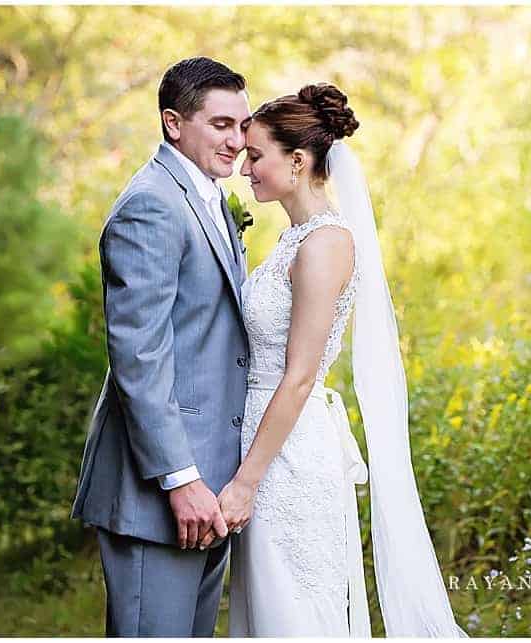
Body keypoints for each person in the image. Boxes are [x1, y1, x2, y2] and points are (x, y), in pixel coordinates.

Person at [219, 83, 467, 637]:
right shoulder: (295, 239)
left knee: (296, 613)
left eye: (256, 155)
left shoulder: (326, 243)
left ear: (299, 160)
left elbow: (301, 375)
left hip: (285, 457)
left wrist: (245, 483)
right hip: (266, 444)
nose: (245, 169)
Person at [69, 57, 251, 637]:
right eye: (221, 125)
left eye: (242, 126)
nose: (237, 141)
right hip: (163, 495)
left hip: (211, 491)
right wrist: (182, 480)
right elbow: (139, 357)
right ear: (174, 123)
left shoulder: (209, 197)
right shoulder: (151, 204)